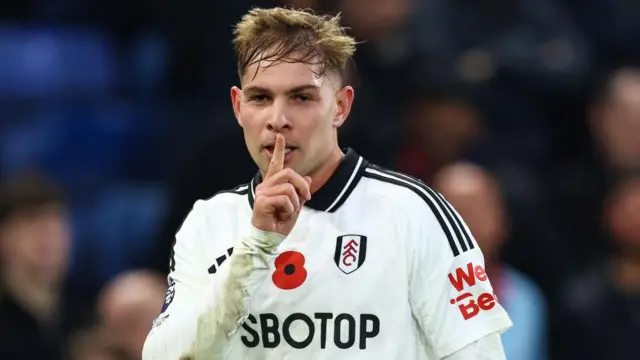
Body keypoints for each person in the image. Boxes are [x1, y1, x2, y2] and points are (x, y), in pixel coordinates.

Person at [143, 7, 512, 360]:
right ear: (238, 107)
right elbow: (166, 355)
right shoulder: (210, 221)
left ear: (340, 106)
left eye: (301, 97)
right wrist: (255, 248)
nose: (278, 119)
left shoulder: (415, 213)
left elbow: (478, 352)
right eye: (260, 98)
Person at [0, 173, 89, 360]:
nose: (47, 233)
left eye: (56, 220)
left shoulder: (88, 311)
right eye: (31, 221)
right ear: (4, 237)